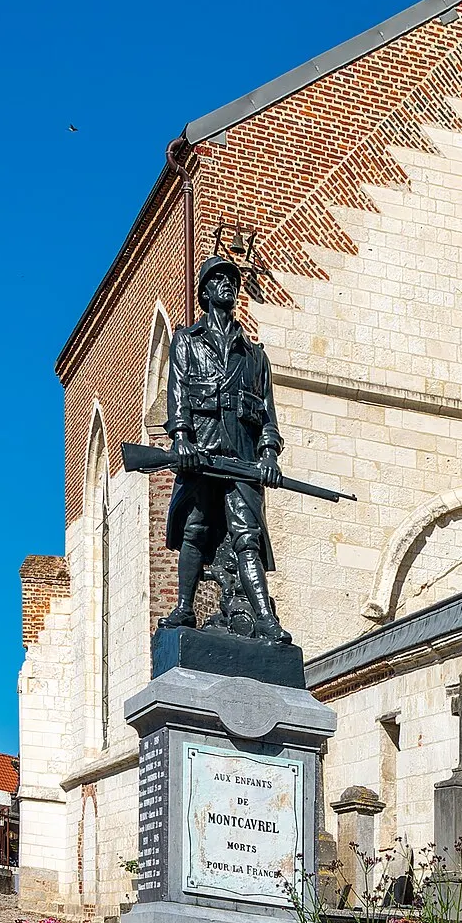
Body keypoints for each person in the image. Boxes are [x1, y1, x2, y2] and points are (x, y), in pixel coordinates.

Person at [162, 250, 289, 642]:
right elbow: (178, 394)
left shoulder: (254, 356)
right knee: (195, 529)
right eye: (218, 280)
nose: (227, 285)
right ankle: (184, 608)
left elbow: (268, 415)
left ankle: (266, 619)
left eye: (231, 280)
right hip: (202, 455)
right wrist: (182, 439)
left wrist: (269, 454)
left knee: (247, 536)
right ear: (204, 291)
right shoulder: (186, 342)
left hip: (243, 459)